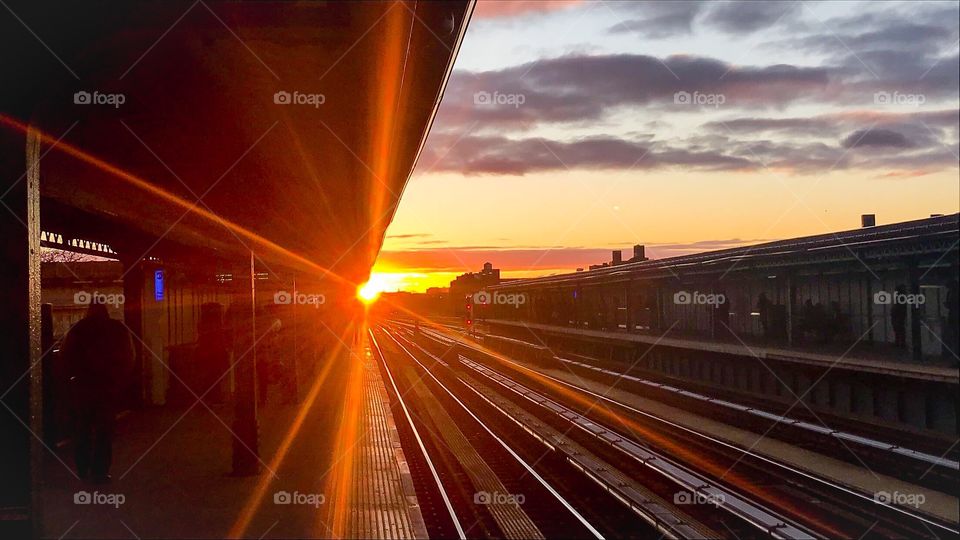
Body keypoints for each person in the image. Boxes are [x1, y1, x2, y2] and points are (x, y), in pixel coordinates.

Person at [61, 303, 134, 483]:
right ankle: (100, 471)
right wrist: (119, 380)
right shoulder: (118, 329)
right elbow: (128, 356)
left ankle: (82, 468)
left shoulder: (78, 329)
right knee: (104, 430)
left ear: (89, 311)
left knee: (83, 427)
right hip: (107, 386)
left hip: (83, 386)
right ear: (106, 311)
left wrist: (71, 378)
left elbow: (65, 355)